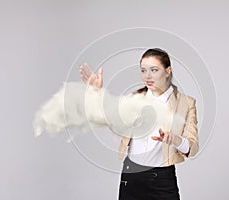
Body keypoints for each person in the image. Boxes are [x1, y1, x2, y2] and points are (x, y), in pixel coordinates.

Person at [79, 48, 199, 200]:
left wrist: (175, 140)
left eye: (154, 70)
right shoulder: (135, 98)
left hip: (162, 180)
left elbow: (192, 147)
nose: (147, 76)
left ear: (168, 71)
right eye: (143, 70)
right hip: (131, 176)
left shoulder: (186, 103)